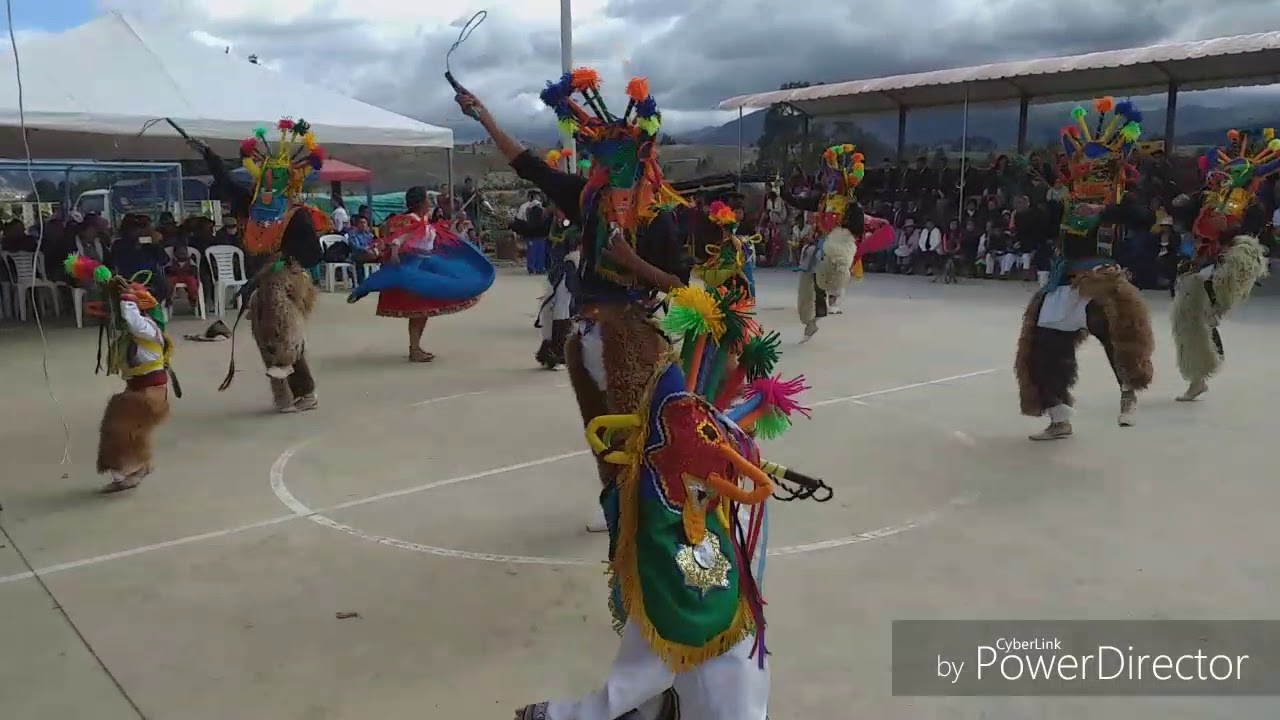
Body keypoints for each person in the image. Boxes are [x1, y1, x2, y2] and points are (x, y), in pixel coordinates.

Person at [514, 278, 824, 720]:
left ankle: (617, 711)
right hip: (667, 497)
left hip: (669, 498)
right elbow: (665, 425)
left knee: (682, 618)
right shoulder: (620, 342)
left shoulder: (619, 342)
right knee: (687, 616)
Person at [456, 69, 690, 536]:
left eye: (612, 163)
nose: (602, 172)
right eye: (600, 163)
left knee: (644, 427)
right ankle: (617, 500)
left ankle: (652, 506)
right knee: (601, 427)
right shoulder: (588, 200)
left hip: (631, 336)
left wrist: (631, 260)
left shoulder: (660, 218)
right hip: (586, 335)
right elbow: (528, 164)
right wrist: (484, 117)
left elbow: (677, 285)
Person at [1015, 98, 1155, 440]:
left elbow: (1145, 219)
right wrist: (1028, 212)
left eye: (1095, 165)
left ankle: (1128, 391)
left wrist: (1105, 212)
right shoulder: (1063, 200)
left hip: (1101, 278)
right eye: (1081, 163)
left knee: (1114, 331)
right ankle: (1058, 417)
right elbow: (1039, 230)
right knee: (1043, 351)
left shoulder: (1117, 200)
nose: (1086, 169)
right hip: (1064, 280)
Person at [187, 117, 327, 412]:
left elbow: (313, 254)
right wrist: (209, 155)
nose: (268, 182)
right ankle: (284, 395)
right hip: (259, 278)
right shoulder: (250, 203)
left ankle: (305, 390)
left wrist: (285, 262)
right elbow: (225, 181)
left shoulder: (296, 214)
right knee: (265, 335)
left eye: (276, 177)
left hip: (285, 278)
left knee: (282, 332)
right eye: (265, 175)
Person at [1170, 129, 1276, 402]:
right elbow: (1185, 214)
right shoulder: (1205, 197)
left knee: (1220, 285)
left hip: (1232, 259)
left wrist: (1229, 231)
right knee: (1188, 319)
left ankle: (1215, 308)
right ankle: (1197, 376)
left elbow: (1252, 231)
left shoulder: (1252, 205)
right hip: (1202, 259)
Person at [62, 260, 177, 494]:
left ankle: (133, 469)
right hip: (137, 390)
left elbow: (133, 320)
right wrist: (109, 286)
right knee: (115, 430)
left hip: (150, 394)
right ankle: (129, 471)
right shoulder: (128, 333)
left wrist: (127, 297)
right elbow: (120, 319)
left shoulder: (148, 327)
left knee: (120, 428)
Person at [347, 186, 495, 362]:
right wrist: (394, 251)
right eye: (427, 200)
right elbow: (399, 237)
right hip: (412, 266)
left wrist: (454, 225)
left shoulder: (422, 220)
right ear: (421, 202)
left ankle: (415, 347)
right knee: (418, 309)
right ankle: (414, 348)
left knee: (422, 309)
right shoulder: (409, 220)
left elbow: (433, 235)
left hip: (426, 263)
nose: (429, 203)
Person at [781, 144, 867, 329]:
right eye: (830, 179)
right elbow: (801, 202)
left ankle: (833, 299)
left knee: (833, 267)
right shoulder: (823, 199)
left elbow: (857, 227)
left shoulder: (850, 204)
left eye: (834, 179)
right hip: (823, 239)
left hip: (839, 243)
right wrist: (784, 193)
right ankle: (814, 312)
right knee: (810, 268)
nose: (831, 182)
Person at [535, 202, 580, 370]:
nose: (558, 215)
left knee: (562, 307)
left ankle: (560, 349)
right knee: (547, 308)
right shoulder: (554, 225)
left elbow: (576, 253)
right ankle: (548, 346)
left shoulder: (575, 229)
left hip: (569, 271)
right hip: (555, 271)